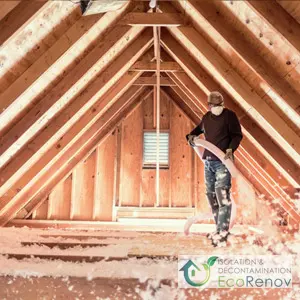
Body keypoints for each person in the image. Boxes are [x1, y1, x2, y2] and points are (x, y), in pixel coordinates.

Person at [186, 91, 243, 247]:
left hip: (223, 162)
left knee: (223, 197)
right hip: (209, 162)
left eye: (220, 105)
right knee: (211, 196)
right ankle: (218, 231)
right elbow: (195, 132)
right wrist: (191, 139)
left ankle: (223, 235)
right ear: (209, 105)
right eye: (214, 105)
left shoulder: (229, 116)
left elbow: (237, 135)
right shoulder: (206, 118)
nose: (217, 108)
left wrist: (231, 149)